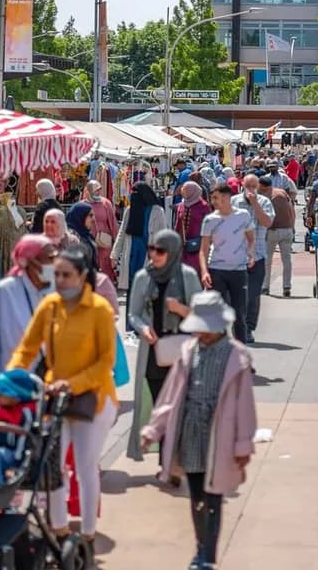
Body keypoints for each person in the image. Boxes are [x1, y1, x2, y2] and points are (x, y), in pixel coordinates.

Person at [8, 244, 117, 561]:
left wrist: (73, 383)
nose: (60, 281)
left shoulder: (99, 309)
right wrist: (10, 378)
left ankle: (87, 534)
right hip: (56, 397)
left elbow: (104, 363)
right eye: (56, 274)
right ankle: (59, 532)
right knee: (52, 468)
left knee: (84, 467)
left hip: (94, 399)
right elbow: (26, 349)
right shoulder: (50, 306)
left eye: (66, 275)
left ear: (83, 276)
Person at [142, 291, 257, 570]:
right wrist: (154, 428)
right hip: (191, 433)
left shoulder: (236, 356)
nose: (202, 333)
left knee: (214, 495)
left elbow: (245, 406)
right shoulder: (188, 351)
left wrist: (243, 445)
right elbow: (171, 395)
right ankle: (200, 547)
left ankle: (207, 553)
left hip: (221, 436)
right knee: (196, 496)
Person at [127, 229, 202, 464]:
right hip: (154, 353)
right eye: (152, 249)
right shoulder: (143, 277)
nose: (154, 255)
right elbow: (134, 313)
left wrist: (181, 310)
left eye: (160, 251)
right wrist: (143, 329)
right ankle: (167, 462)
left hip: (181, 349)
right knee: (161, 406)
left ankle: (174, 459)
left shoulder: (187, 276)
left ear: (173, 252)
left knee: (179, 407)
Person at [0, 234, 57, 378]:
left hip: (50, 382)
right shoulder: (6, 290)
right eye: (49, 258)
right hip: (12, 382)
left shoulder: (57, 292)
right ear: (31, 262)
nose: (54, 263)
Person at [200, 184, 255, 344]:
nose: (213, 201)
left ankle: (241, 356)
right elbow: (203, 250)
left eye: (216, 197)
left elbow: (251, 239)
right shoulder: (210, 220)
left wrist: (250, 254)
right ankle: (219, 353)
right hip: (216, 270)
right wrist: (204, 271)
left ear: (227, 197)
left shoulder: (243, 216)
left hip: (238, 270)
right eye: (212, 198)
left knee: (239, 314)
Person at [232, 173, 275, 343]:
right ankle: (237, 329)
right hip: (236, 256)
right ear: (242, 185)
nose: (250, 189)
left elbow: (267, 223)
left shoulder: (265, 203)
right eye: (247, 186)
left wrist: (256, 204)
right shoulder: (234, 202)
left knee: (253, 294)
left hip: (257, 256)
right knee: (236, 295)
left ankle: (249, 328)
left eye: (253, 186)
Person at [112, 181, 167, 296]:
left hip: (148, 253)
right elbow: (122, 233)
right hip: (132, 253)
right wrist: (114, 255)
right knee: (132, 288)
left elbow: (163, 236)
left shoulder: (157, 211)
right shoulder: (130, 210)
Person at [264, 174, 295, 298]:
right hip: (286, 229)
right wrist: (292, 227)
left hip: (272, 230)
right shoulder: (282, 192)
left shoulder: (263, 196)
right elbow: (291, 210)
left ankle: (265, 286)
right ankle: (286, 286)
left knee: (267, 261)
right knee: (287, 260)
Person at [175, 180, 213, 277]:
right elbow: (178, 224)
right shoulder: (181, 205)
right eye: (184, 189)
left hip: (198, 247)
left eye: (186, 190)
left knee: (196, 273)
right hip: (183, 247)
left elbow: (210, 227)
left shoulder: (203, 207)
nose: (183, 192)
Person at [83, 179, 118, 278]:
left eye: (99, 190)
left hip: (105, 240)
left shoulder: (106, 203)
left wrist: (115, 240)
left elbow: (112, 222)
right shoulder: (84, 204)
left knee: (105, 266)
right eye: (96, 190)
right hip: (89, 240)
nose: (98, 192)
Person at [67, 201, 99, 268]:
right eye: (90, 215)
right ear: (80, 216)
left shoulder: (86, 235)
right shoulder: (72, 238)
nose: (93, 219)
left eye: (93, 215)